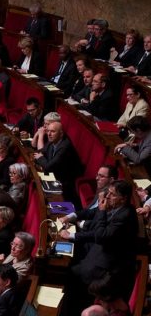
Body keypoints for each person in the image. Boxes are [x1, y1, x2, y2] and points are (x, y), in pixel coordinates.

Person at [71, 181, 138, 311]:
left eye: (112, 194)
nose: (107, 197)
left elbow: (101, 237)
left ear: (123, 199)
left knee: (75, 274)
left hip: (110, 266)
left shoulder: (125, 215)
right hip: (103, 253)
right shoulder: (116, 208)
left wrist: (102, 211)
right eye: (108, 193)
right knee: (73, 267)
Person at [34, 121, 83, 205]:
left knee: (52, 205)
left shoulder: (65, 147)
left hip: (65, 182)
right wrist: (41, 157)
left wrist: (41, 158)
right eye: (48, 131)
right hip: (55, 175)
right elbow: (40, 152)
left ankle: (65, 214)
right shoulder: (52, 140)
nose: (49, 134)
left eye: (52, 131)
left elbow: (48, 166)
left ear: (61, 134)